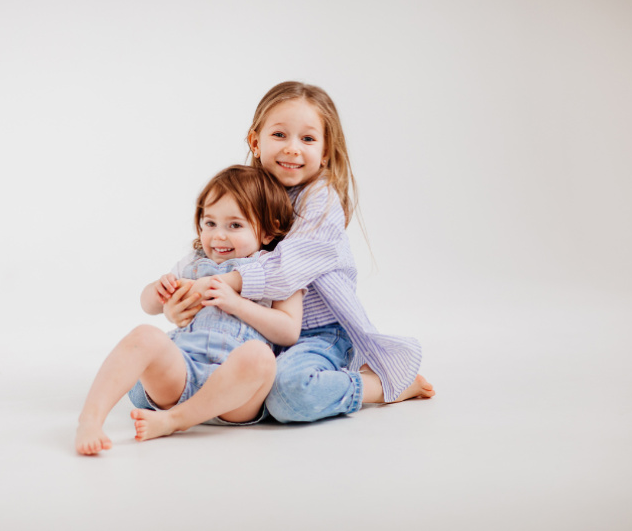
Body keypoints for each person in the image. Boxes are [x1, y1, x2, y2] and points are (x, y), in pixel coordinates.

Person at [165, 81, 435, 423]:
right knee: (161, 378)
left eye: (307, 139)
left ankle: (379, 387)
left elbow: (285, 269)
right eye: (280, 135)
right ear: (255, 141)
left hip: (316, 333)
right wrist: (185, 303)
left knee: (289, 394)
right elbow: (214, 251)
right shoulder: (247, 190)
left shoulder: (321, 201)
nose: (293, 149)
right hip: (259, 326)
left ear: (325, 153)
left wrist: (223, 283)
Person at [75, 165, 302, 454]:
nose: (218, 236)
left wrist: (237, 304)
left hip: (235, 396)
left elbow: (288, 331)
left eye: (234, 225)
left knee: (260, 357)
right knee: (145, 334)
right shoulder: (192, 263)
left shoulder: (277, 270)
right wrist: (160, 292)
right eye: (210, 223)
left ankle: (174, 421)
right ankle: (90, 419)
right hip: (182, 374)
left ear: (268, 231)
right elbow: (148, 306)